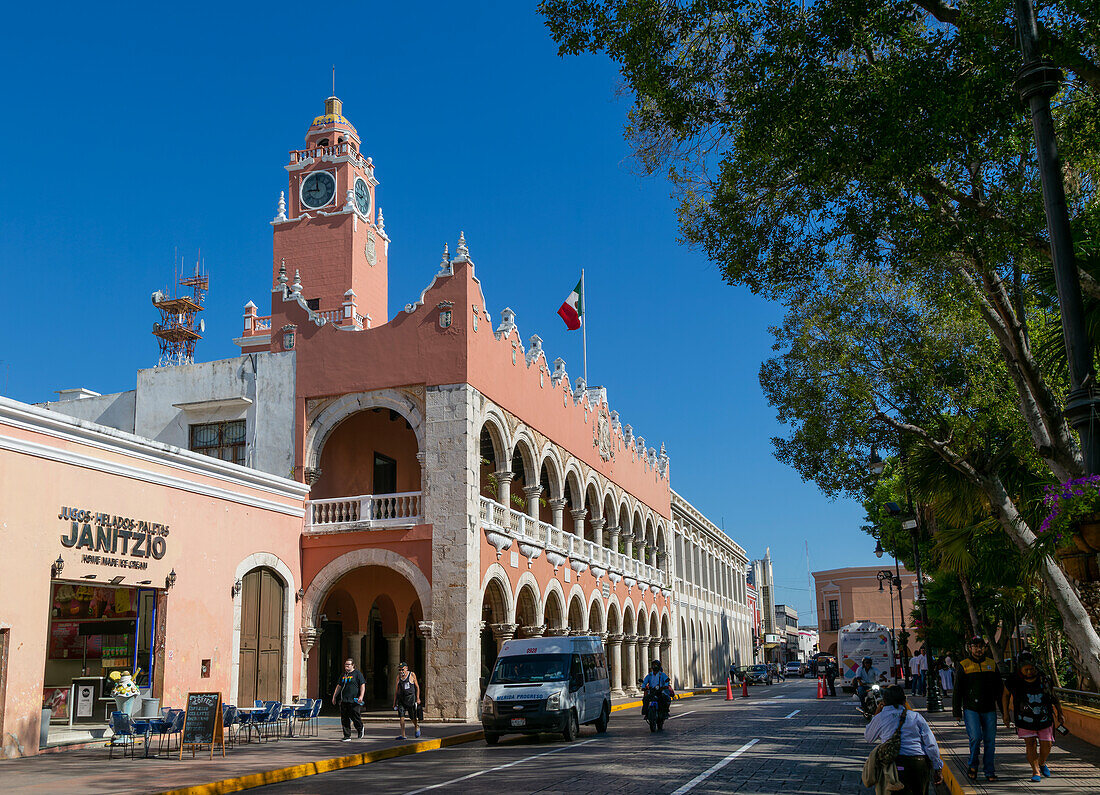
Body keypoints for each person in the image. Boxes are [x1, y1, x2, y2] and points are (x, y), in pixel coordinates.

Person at [865, 685, 945, 793]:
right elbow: (931, 744)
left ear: (884, 702)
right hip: (918, 764)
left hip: (894, 767)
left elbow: (869, 737)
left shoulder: (880, 717)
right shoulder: (915, 716)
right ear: (904, 701)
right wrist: (937, 768)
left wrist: (877, 712)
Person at [1002, 651, 1064, 782]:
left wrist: (1060, 713)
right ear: (1020, 668)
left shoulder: (1044, 678)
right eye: (1026, 669)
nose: (1029, 672)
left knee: (1047, 744)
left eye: (1032, 669)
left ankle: (1042, 763)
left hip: (1044, 718)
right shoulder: (1013, 680)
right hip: (1024, 719)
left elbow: (1053, 696)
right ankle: (1035, 771)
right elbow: (1006, 695)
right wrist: (1006, 714)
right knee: (1030, 744)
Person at [954, 636, 1004, 782]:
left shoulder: (991, 664)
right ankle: (972, 765)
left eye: (981, 646)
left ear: (985, 648)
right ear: (970, 648)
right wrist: (957, 712)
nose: (978, 649)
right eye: (975, 646)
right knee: (975, 737)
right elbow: (958, 690)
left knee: (990, 740)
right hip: (971, 709)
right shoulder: (964, 665)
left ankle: (989, 770)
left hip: (989, 709)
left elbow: (999, 689)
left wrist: (1004, 711)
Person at [332, 658, 366, 741]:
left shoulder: (357, 674)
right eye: (345, 665)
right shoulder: (343, 675)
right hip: (344, 700)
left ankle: (360, 728)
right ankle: (347, 735)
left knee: (355, 716)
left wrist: (361, 696)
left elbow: (362, 685)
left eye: (348, 665)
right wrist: (334, 696)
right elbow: (339, 686)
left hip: (354, 700)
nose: (346, 666)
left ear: (353, 665)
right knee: (344, 718)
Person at [393, 661, 421, 740]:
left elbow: (417, 687)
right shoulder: (398, 677)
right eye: (400, 670)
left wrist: (418, 698)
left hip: (410, 698)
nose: (401, 672)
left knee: (412, 716)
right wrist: (394, 702)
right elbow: (396, 690)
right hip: (401, 698)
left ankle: (416, 726)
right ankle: (403, 734)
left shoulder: (412, 675)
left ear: (406, 669)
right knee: (401, 716)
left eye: (402, 670)